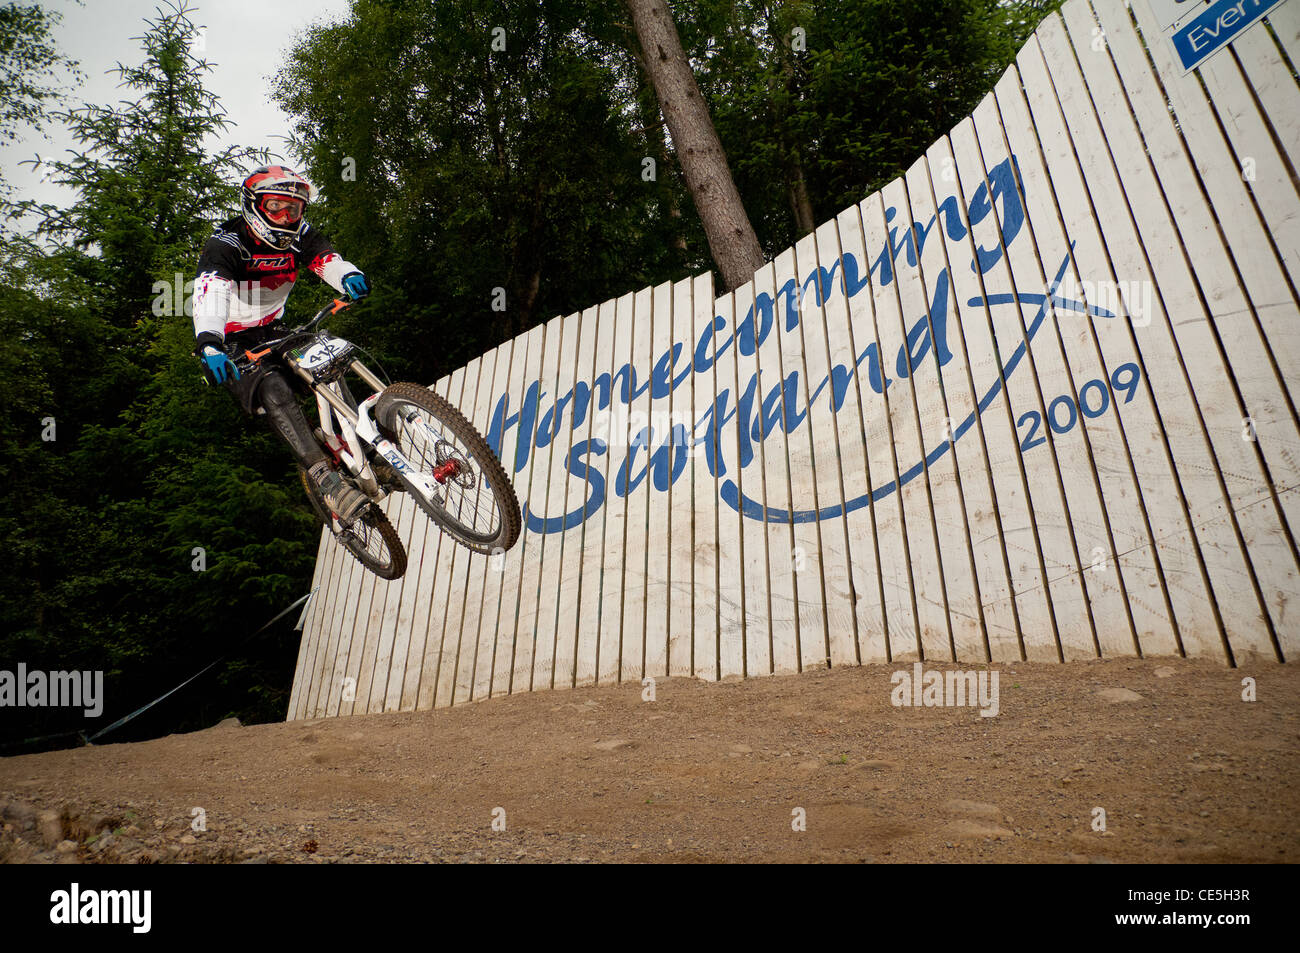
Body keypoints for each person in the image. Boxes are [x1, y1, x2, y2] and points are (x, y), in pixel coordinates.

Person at [191, 165, 370, 524]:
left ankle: (365, 445)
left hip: (273, 326)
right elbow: (210, 292)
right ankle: (326, 478)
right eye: (277, 208)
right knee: (273, 388)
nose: (287, 218)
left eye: (295, 209)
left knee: (330, 361)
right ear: (253, 207)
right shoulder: (226, 244)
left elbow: (326, 260)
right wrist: (209, 344)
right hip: (230, 338)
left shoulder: (299, 234)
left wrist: (347, 273)